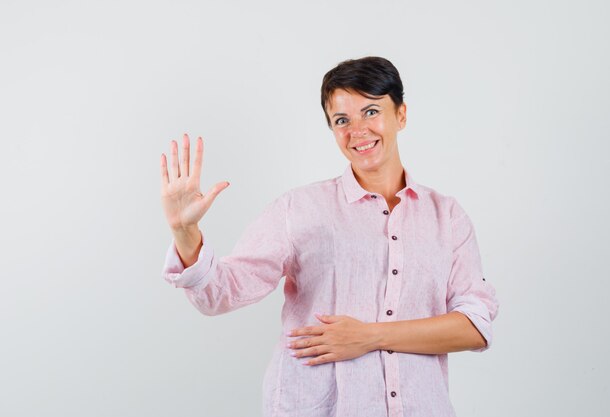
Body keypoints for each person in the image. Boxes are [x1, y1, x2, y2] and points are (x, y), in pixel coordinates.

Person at [159, 56, 499, 417]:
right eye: (342, 120)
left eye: (371, 112)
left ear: (401, 114)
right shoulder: (299, 209)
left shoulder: (446, 216)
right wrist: (185, 232)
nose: (357, 131)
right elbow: (219, 295)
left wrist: (370, 336)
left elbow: (475, 325)